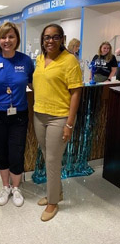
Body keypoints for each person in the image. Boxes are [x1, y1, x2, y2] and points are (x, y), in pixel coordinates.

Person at [33, 23, 82, 221]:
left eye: (55, 37)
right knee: (48, 157)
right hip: (39, 114)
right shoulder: (39, 58)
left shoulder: (70, 61)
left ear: (62, 39)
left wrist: (69, 124)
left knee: (53, 159)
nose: (50, 41)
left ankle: (53, 203)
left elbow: (76, 92)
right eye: (47, 37)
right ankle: (57, 193)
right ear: (42, 40)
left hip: (59, 117)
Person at [0, 22, 34, 207]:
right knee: (2, 151)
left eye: (11, 36)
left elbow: (34, 84)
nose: (7, 40)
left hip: (19, 113)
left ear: (17, 39)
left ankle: (16, 188)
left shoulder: (26, 61)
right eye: (4, 37)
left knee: (17, 151)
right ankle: (5, 186)